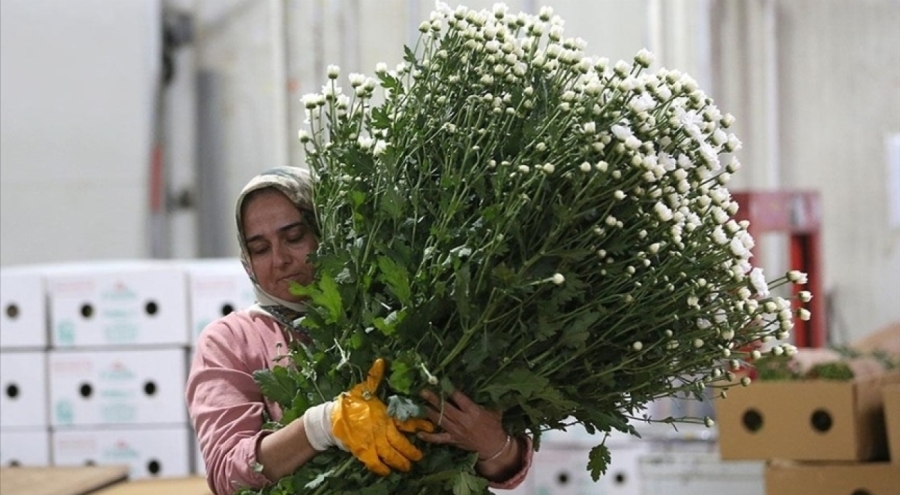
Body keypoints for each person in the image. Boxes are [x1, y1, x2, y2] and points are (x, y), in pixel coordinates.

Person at [185, 166, 532, 495]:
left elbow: (506, 466)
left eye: (294, 237)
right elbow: (226, 473)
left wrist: (494, 444)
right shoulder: (230, 341)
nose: (280, 259)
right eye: (259, 248)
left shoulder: (399, 310)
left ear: (329, 229)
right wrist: (321, 425)